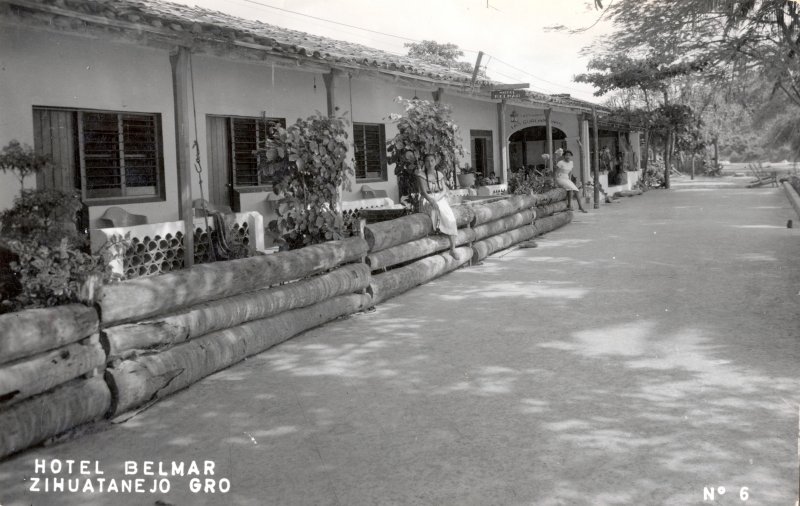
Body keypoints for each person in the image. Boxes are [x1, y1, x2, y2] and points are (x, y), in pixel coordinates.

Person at [415, 153, 458, 257]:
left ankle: (453, 248)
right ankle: (438, 231)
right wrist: (432, 200)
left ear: (435, 162)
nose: (430, 163)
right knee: (436, 211)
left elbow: (444, 190)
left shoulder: (439, 174)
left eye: (432, 161)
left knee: (450, 216)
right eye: (427, 161)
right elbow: (423, 192)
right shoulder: (421, 175)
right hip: (428, 199)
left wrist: (438, 198)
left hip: (439, 198)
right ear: (424, 163)